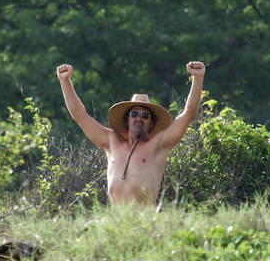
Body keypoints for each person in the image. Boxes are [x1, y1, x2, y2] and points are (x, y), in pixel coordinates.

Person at [56, 61, 206, 206]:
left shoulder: (159, 145)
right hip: (117, 223)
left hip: (146, 223)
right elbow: (79, 115)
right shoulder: (111, 142)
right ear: (127, 119)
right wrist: (65, 81)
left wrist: (197, 78)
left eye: (145, 115)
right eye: (134, 114)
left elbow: (188, 114)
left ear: (152, 122)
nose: (139, 118)